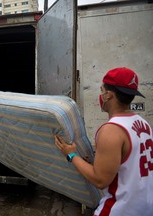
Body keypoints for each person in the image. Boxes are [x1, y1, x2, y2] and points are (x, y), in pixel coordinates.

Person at [55, 67, 153, 216]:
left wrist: (71, 155)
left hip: (119, 209)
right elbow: (128, 166)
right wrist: (94, 164)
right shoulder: (143, 124)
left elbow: (100, 180)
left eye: (102, 90)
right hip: (144, 207)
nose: (100, 95)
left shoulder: (111, 130)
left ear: (108, 95)